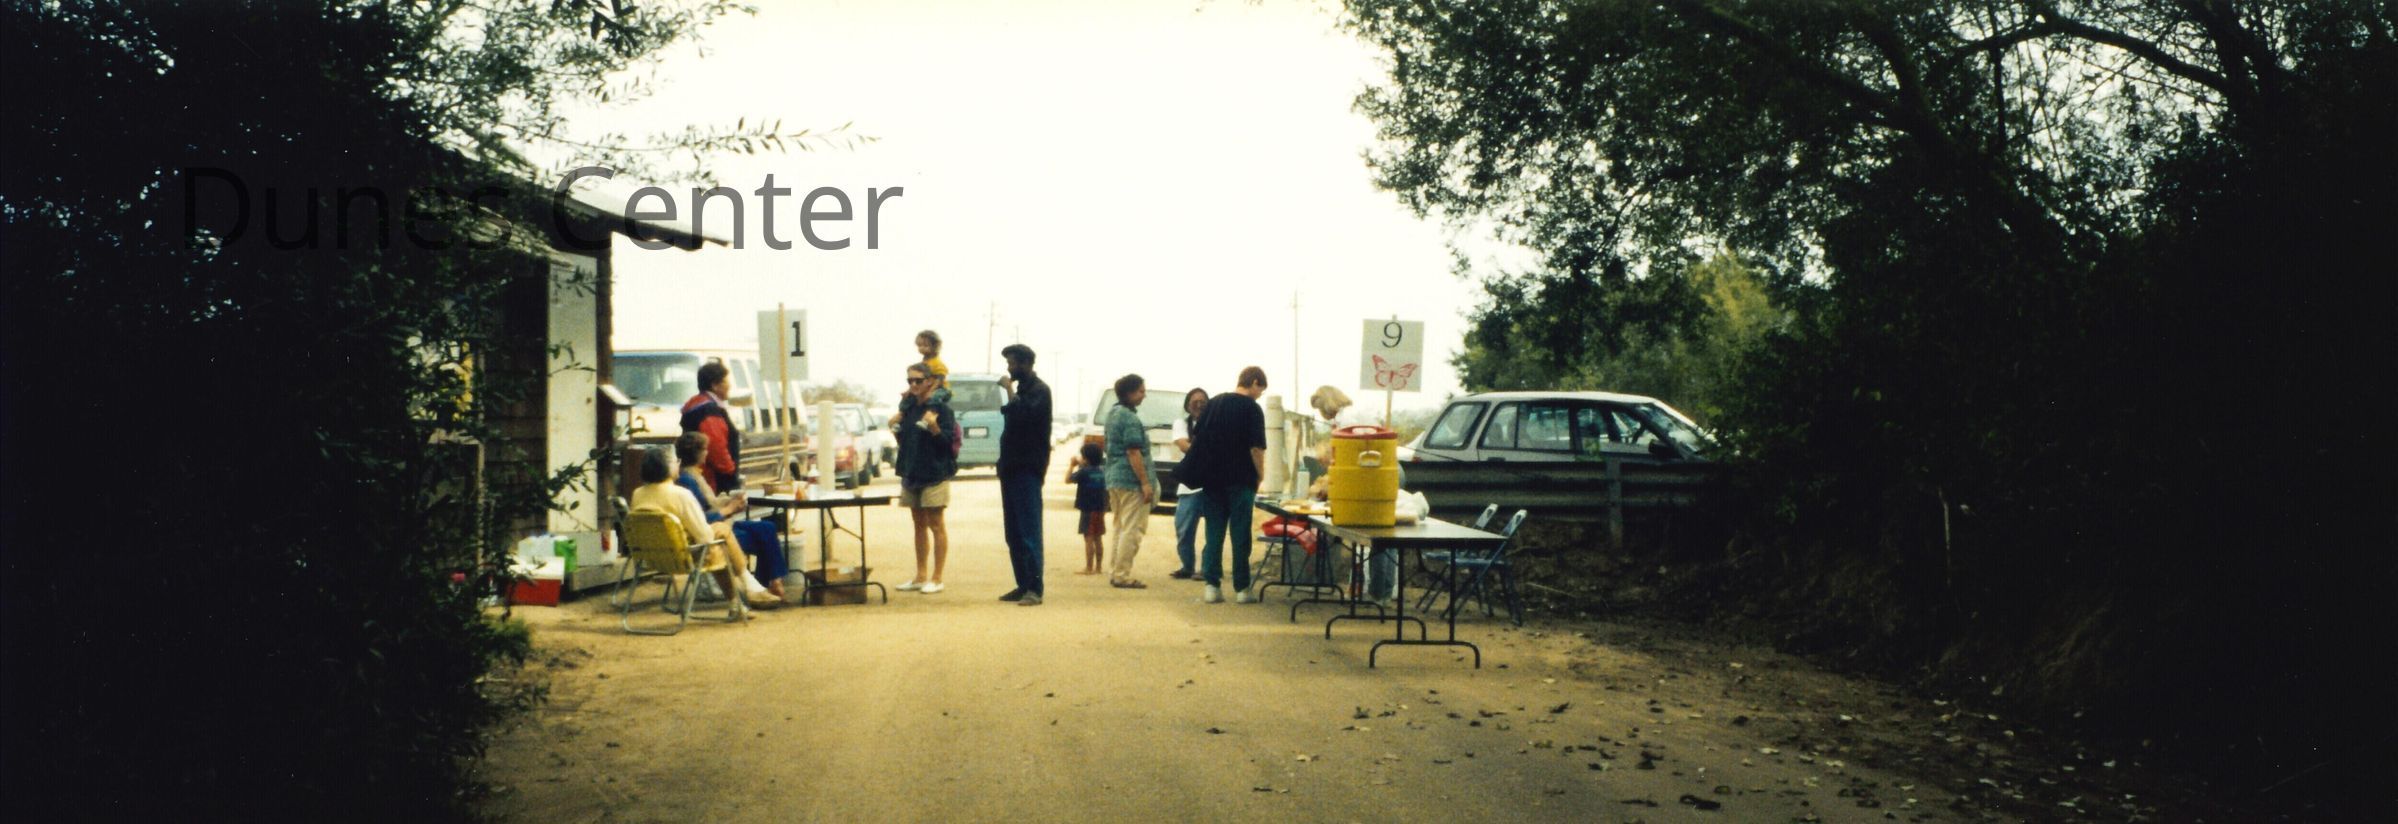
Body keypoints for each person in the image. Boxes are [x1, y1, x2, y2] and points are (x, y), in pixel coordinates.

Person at [628, 447, 780, 612]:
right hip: (683, 557)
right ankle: (748, 586)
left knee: (718, 542)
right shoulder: (681, 495)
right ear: (667, 467)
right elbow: (705, 536)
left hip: (650, 557)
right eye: (675, 461)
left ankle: (739, 599)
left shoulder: (638, 494)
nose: (678, 464)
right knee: (720, 537)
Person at [1180, 367, 1271, 604]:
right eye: (1260, 390)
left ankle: (1212, 587)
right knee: (1240, 534)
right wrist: (1260, 475)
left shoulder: (1215, 403)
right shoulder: (1252, 408)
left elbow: (1198, 437)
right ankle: (1242, 589)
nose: (1259, 395)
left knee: (1214, 533)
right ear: (1254, 382)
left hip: (1212, 479)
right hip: (1241, 479)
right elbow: (1256, 448)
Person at [673, 431, 790, 600]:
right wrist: (729, 508)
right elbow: (699, 519)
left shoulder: (694, 475)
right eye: (705, 449)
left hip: (720, 523)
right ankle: (767, 586)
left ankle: (771, 583)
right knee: (763, 538)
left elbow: (709, 504)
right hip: (712, 532)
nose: (707, 452)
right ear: (697, 453)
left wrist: (730, 503)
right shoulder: (687, 480)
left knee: (767, 528)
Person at [1312, 385, 1400, 607]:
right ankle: (1384, 591)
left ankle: (1378, 593)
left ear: (1327, 406)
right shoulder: (1355, 413)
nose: (1322, 415)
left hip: (1376, 475)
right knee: (1384, 535)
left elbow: (1353, 457)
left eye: (1321, 410)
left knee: (1375, 536)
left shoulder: (1347, 421)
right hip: (1384, 471)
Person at [893, 362, 958, 594]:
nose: (913, 385)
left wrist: (934, 428)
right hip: (912, 472)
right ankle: (920, 576)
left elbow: (947, 444)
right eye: (910, 380)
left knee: (936, 524)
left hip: (935, 472)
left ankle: (937, 578)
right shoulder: (909, 408)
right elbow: (905, 441)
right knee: (918, 524)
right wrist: (896, 429)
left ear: (930, 381)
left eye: (918, 380)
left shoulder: (942, 409)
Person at [995, 343, 1051, 606]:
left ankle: (1035, 588)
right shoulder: (1023, 391)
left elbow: (1024, 416)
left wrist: (1008, 391)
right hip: (1010, 467)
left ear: (1026, 364)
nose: (1009, 368)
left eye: (1013, 363)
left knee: (1029, 531)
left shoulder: (1040, 391)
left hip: (1027, 468)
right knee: (1014, 532)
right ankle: (1023, 583)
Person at [1102, 373, 1157, 588]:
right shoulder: (1130, 419)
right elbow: (1134, 452)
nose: (1144, 395)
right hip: (1131, 481)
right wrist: (1145, 483)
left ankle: (1115, 571)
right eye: (1141, 391)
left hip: (1114, 478)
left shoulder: (1113, 414)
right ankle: (1122, 574)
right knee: (1133, 529)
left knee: (1120, 527)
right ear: (1130, 393)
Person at [1167, 386, 1211, 580]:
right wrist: (1208, 450)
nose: (1199, 405)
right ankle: (1187, 566)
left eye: (1203, 402)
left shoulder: (1215, 423)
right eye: (1195, 402)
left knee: (1214, 530)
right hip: (1189, 486)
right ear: (1187, 405)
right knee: (1183, 529)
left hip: (1212, 484)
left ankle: (1208, 568)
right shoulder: (1181, 423)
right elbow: (1184, 445)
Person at [680, 359, 744, 492]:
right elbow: (715, 445)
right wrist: (730, 471)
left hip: (699, 474)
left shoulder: (696, 405)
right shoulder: (708, 410)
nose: (730, 385)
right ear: (715, 385)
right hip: (713, 480)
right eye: (726, 381)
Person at [1065, 442, 1108, 575]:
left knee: (1088, 538)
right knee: (1098, 538)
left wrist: (1072, 465)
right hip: (1100, 508)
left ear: (1086, 459)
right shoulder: (1103, 471)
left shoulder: (1083, 472)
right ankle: (1099, 567)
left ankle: (1089, 567)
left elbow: (1068, 479)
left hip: (1087, 509)